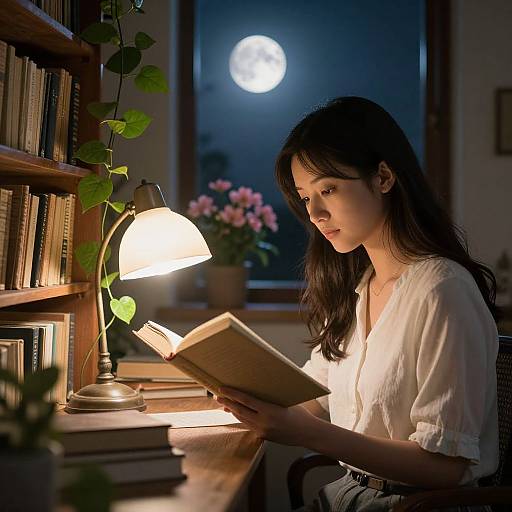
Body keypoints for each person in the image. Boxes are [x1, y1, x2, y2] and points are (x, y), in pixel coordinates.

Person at [215, 97, 499, 512]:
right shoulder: (358, 287)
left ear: (383, 177)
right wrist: (228, 387)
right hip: (349, 497)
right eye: (304, 196)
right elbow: (310, 398)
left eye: (328, 189)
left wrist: (308, 434)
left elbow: (446, 468)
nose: (315, 212)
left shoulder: (442, 292)